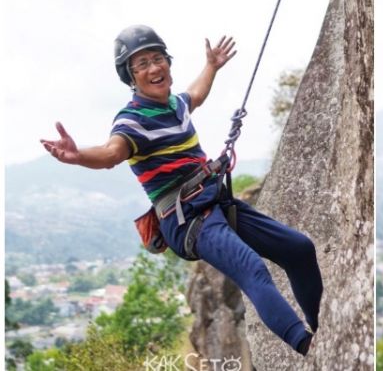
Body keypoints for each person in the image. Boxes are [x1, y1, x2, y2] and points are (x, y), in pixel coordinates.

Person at [41, 25, 323, 355]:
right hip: (186, 219)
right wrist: (78, 156)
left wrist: (211, 67)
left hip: (212, 201)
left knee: (299, 249)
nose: (154, 68)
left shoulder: (175, 105)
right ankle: (311, 348)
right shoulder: (132, 120)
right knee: (252, 268)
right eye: (142, 64)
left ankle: (322, 327)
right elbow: (110, 154)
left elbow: (196, 95)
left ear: (168, 63)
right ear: (131, 78)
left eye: (158, 59)